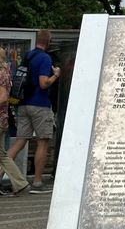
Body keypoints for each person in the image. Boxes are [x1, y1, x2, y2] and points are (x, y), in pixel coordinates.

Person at [7, 30, 60, 194]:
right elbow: (43, 83)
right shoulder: (45, 58)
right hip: (40, 105)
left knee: (20, 141)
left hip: (23, 104)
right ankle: (37, 182)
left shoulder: (28, 56)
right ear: (49, 41)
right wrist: (56, 75)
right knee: (43, 142)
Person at [0, 48, 29, 196]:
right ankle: (21, 184)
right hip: (3, 118)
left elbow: (3, 97)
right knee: (3, 155)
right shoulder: (6, 72)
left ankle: (21, 183)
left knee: (3, 155)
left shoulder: (0, 74)